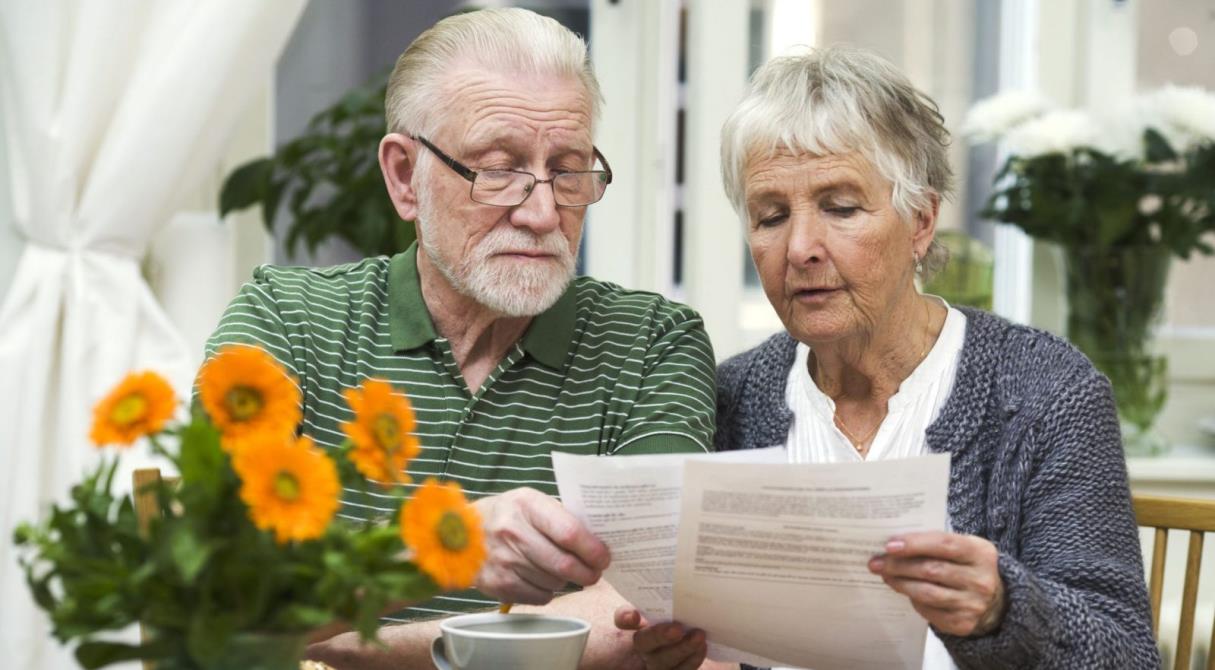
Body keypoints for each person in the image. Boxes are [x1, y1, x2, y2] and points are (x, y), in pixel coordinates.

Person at [203, 8, 716, 668]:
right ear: (402, 177)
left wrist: (338, 642)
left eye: (567, 169)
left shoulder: (651, 343)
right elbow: (215, 599)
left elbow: (640, 624)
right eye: (498, 169)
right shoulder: (285, 322)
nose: (540, 213)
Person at [615, 47, 1159, 669]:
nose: (800, 248)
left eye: (841, 208)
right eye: (770, 216)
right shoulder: (727, 398)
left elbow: (1126, 655)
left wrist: (1003, 610)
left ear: (921, 221)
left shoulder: (1045, 393)